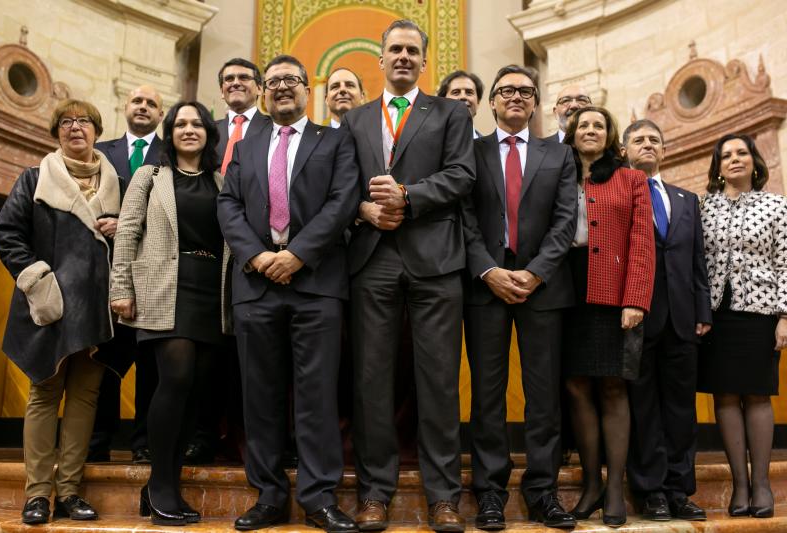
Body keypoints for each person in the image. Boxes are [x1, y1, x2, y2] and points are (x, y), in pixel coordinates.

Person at [342, 19, 476, 532]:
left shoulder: (449, 113)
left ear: (424, 62)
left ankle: (443, 497)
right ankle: (374, 493)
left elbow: (463, 175)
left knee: (439, 382)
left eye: (411, 51)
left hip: (436, 259)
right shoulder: (354, 120)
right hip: (372, 259)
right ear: (380, 60)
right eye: (393, 49)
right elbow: (341, 185)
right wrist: (362, 210)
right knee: (372, 380)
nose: (402, 57)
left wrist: (410, 197)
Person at [217, 54, 359, 533]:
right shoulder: (246, 145)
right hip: (256, 286)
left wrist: (296, 254)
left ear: (306, 89)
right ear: (262, 92)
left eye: (291, 80)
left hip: (316, 284)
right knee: (260, 396)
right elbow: (228, 205)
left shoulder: (336, 141)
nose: (282, 87)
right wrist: (258, 258)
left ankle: (319, 498)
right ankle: (270, 496)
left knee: (318, 395)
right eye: (273, 81)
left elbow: (342, 203)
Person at [460, 65, 578, 530]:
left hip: (542, 289)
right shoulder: (471, 152)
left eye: (525, 92)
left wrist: (534, 272)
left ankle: (542, 492)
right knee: (487, 396)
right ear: (491, 102)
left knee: (543, 395)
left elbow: (565, 220)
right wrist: (488, 270)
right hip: (485, 287)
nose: (515, 98)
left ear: (535, 102)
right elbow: (463, 218)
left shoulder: (558, 154)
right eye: (506, 91)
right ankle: (490, 492)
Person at [0, 99, 122, 524]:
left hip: (98, 309)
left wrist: (122, 229)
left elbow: (140, 241)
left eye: (82, 121)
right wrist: (36, 279)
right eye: (65, 122)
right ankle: (37, 496)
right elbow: (8, 234)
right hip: (50, 305)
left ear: (96, 130)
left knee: (85, 399)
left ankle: (68, 492)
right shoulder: (35, 178)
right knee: (45, 394)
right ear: (56, 133)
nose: (74, 128)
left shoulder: (119, 183)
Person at [110, 101, 225, 526]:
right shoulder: (150, 175)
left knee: (196, 390)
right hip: (163, 287)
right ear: (170, 131)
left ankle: (164, 485)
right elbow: (127, 230)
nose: (189, 130)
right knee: (174, 380)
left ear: (208, 134)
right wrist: (120, 287)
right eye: (181, 124)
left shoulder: (220, 179)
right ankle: (160, 486)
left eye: (197, 124)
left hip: (212, 290)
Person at [561, 105, 655, 527]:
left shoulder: (631, 179)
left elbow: (642, 243)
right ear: (572, 134)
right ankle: (591, 485)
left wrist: (635, 298)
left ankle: (615, 486)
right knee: (577, 385)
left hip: (613, 290)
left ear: (610, 135)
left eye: (599, 125)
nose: (591, 130)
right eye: (584, 125)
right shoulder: (557, 174)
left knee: (614, 385)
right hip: (564, 288)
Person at [622, 119, 711, 521]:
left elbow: (697, 263)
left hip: (683, 319)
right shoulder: (617, 194)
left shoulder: (687, 199)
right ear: (624, 150)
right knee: (643, 408)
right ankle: (650, 491)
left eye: (654, 140)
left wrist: (703, 312)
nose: (647, 145)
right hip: (635, 317)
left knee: (681, 410)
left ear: (664, 150)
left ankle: (679, 489)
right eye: (638, 139)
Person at [183, 58, 271, 467]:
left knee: (255, 357)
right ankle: (204, 434)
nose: (236, 83)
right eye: (228, 79)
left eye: (244, 78)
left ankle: (252, 439)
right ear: (220, 90)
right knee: (209, 355)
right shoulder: (205, 133)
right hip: (208, 257)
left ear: (260, 87)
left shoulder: (276, 129)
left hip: (262, 256)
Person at [698, 133, 787, 519]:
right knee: (725, 395)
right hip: (716, 314)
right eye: (726, 155)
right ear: (718, 167)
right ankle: (740, 484)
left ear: (754, 161)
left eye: (742, 153)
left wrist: (786, 315)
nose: (734, 159)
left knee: (756, 394)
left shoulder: (778, 206)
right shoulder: (703, 208)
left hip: (761, 313)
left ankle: (763, 484)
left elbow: (786, 262)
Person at [89, 84, 165, 465]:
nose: (143, 107)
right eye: (138, 100)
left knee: (151, 368)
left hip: (155, 278)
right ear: (125, 106)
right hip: (107, 279)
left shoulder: (172, 155)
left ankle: (143, 444)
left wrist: (129, 225)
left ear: (161, 115)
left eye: (152, 103)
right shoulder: (101, 153)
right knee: (104, 366)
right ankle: (97, 441)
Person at [437, 70, 484, 138]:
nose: (463, 96)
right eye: (455, 92)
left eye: (469, 92)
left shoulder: (491, 147)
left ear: (478, 101)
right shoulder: (429, 143)